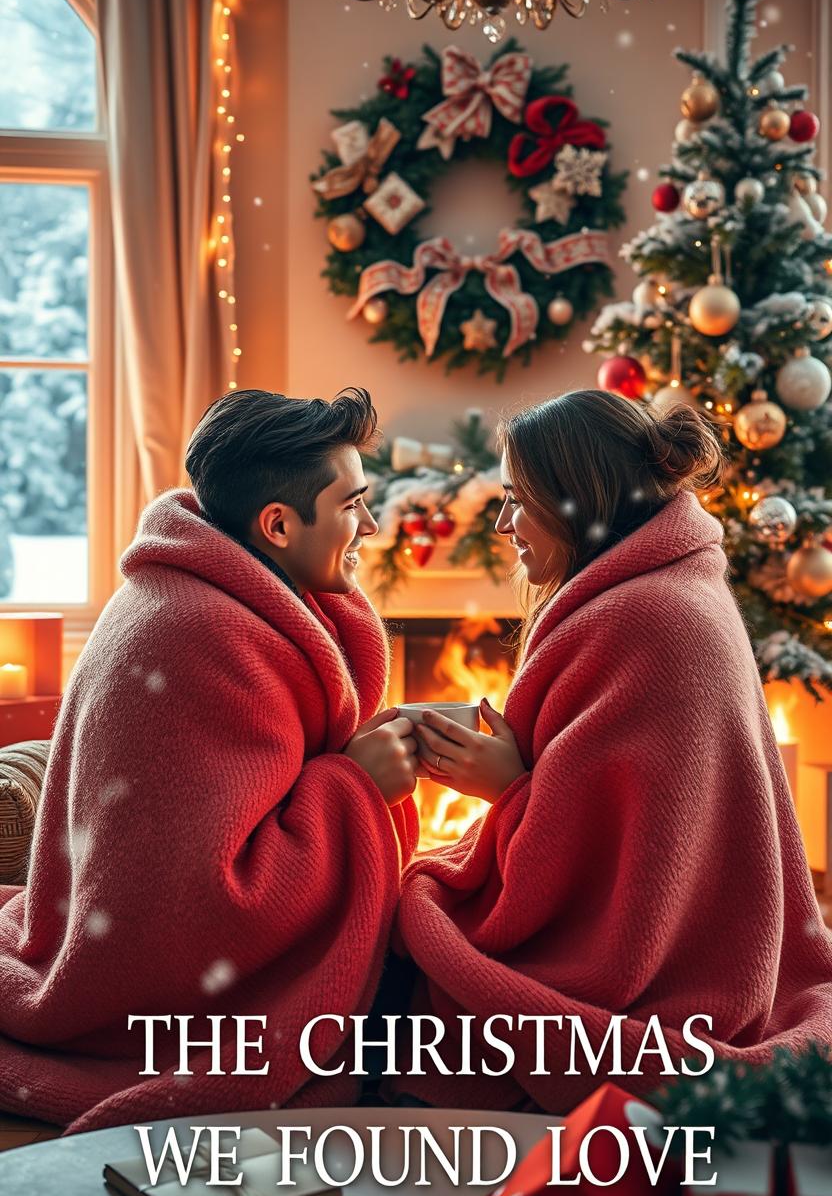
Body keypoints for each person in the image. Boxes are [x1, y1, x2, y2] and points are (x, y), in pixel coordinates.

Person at [390, 389, 832, 1112]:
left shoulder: (648, 620)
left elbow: (615, 881)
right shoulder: (667, 591)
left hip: (670, 980)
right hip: (706, 944)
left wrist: (510, 789)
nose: (502, 523)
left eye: (514, 499)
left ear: (574, 499)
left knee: (404, 931)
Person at [0, 387, 419, 1132]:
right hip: (134, 997)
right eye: (353, 505)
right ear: (280, 524)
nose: (371, 525)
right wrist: (354, 785)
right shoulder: (202, 638)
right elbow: (196, 909)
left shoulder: (211, 593)